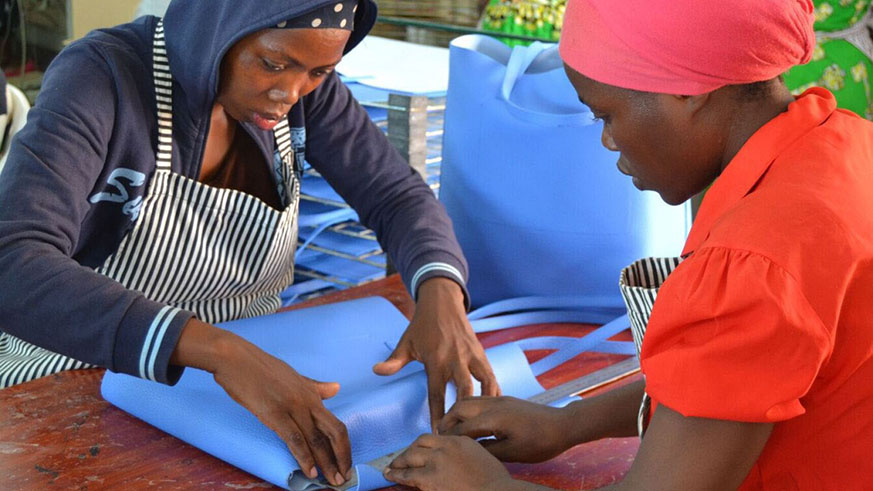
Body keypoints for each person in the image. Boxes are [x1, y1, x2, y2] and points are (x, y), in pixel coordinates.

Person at [0, 0, 500, 488]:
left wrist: (439, 291)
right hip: (81, 377)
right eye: (272, 63)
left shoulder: (307, 95)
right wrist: (219, 352)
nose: (290, 92)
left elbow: (395, 195)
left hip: (246, 380)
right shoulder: (104, 77)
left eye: (319, 72)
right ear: (222, 23)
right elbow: (14, 262)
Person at [384, 0, 873, 489]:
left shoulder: (753, 260)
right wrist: (570, 424)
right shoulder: (844, 145)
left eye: (607, 115)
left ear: (687, 90)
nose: (608, 142)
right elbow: (726, 380)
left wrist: (491, 487)